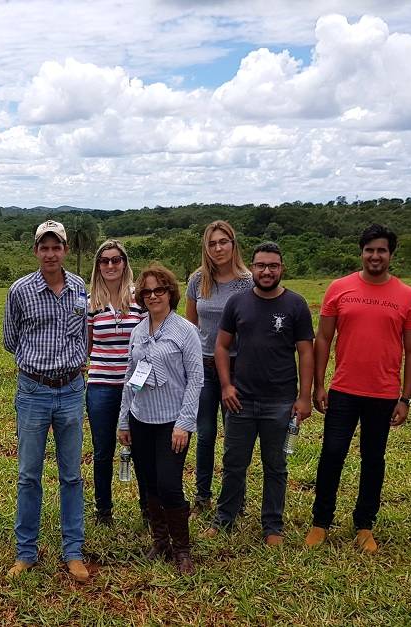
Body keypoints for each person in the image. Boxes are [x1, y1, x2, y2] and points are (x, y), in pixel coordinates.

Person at [306, 224, 411, 554]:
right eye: (370, 250)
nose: (375, 256)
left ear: (390, 254)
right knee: (332, 455)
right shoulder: (340, 289)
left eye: (382, 250)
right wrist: (318, 385)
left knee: (373, 459)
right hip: (343, 390)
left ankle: (364, 525)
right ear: (362, 252)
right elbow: (324, 339)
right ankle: (320, 522)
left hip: (384, 394)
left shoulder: (407, 295)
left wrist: (406, 398)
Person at [205, 242, 313, 545]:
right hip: (241, 399)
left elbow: (306, 352)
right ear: (252, 268)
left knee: (276, 466)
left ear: (282, 269)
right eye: (261, 266)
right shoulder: (238, 303)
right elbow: (222, 346)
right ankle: (224, 519)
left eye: (273, 266)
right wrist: (226, 385)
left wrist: (304, 397)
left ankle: (272, 526)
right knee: (233, 463)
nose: (266, 271)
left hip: (279, 401)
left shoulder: (296, 304)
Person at [2, 219, 90, 582]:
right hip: (33, 391)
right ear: (36, 251)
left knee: (71, 476)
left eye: (57, 247)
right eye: (44, 247)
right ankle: (26, 553)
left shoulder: (80, 288)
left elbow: (83, 334)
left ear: (65, 250)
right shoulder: (19, 291)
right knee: (28, 477)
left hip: (71, 390)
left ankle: (73, 551)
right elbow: (10, 340)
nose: (50, 253)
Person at [117, 263, 203, 573]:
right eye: (147, 291)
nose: (153, 296)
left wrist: (184, 423)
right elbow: (131, 376)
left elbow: (195, 379)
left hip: (171, 422)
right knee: (149, 483)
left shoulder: (186, 331)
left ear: (170, 293)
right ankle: (160, 541)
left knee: (169, 485)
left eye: (159, 290)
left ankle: (182, 549)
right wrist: (124, 420)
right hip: (142, 419)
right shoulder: (138, 331)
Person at [184, 220, 253, 513]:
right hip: (203, 365)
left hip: (237, 367)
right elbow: (190, 325)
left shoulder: (248, 282)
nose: (218, 248)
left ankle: (236, 496)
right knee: (205, 432)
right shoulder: (198, 280)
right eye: (212, 243)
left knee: (235, 436)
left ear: (233, 244)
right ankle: (202, 495)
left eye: (223, 242)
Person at [85, 239, 146, 525]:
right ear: (98, 266)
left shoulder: (140, 298)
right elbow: (87, 345)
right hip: (100, 386)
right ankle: (103, 511)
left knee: (143, 448)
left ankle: (148, 509)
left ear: (124, 263)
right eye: (104, 260)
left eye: (116, 260)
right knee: (102, 450)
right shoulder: (91, 302)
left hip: (136, 386)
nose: (110, 265)